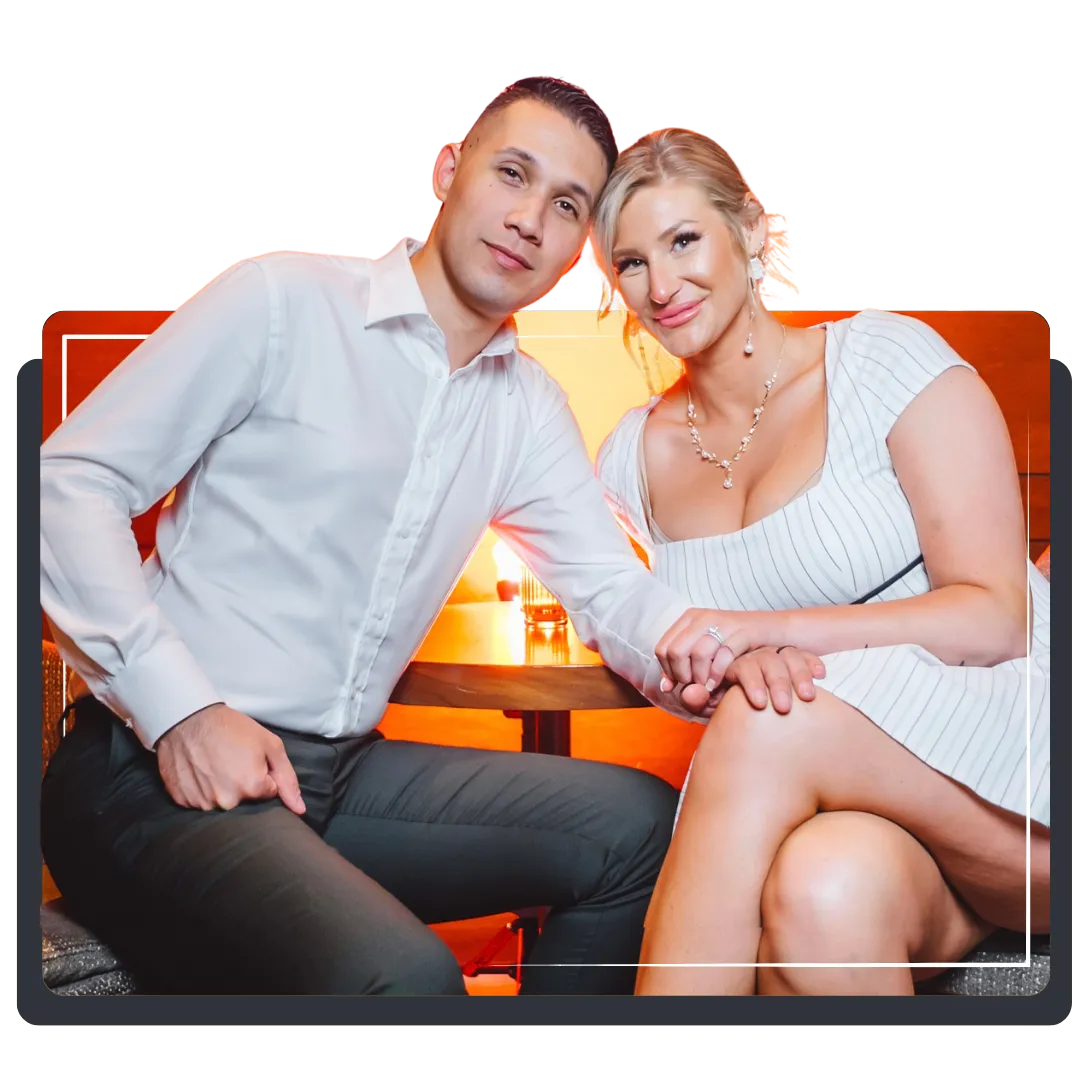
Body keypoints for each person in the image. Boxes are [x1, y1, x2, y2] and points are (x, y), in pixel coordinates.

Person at [39, 78, 798, 997]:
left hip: (334, 776)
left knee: (637, 826)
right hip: (147, 767)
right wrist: (181, 710)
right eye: (511, 174)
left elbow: (611, 588)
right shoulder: (282, 301)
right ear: (446, 170)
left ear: (581, 249)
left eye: (566, 206)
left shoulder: (526, 407)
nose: (528, 220)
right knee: (410, 980)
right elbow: (66, 484)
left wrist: (713, 654)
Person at [588, 126, 1051, 996]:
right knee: (820, 891)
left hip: (1013, 783)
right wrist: (711, 665)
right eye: (633, 263)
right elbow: (641, 633)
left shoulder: (883, 361)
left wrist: (766, 636)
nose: (662, 285)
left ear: (749, 230)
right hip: (854, 821)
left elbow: (997, 617)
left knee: (772, 715)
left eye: (684, 240)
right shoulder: (628, 459)